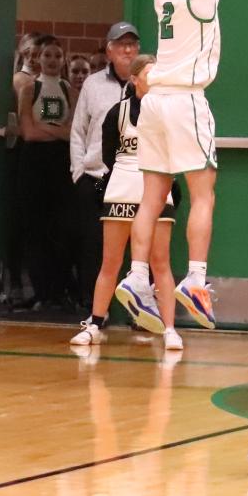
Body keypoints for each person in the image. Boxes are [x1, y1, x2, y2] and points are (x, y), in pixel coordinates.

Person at [116, 0, 248, 333]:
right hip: (185, 100)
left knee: (150, 197)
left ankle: (137, 276)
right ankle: (196, 279)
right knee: (204, 193)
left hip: (156, 100)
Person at [69, 55, 185, 350]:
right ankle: (95, 323)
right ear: (135, 79)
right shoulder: (116, 114)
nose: (156, 77)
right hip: (122, 183)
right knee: (111, 261)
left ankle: (169, 327)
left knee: (161, 263)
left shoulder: (168, 113)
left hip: (157, 185)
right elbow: (108, 156)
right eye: (150, 73)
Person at [70, 22, 141, 299]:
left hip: (135, 179)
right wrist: (79, 173)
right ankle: (94, 309)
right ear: (109, 50)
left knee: (139, 246)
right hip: (99, 179)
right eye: (121, 44)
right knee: (94, 244)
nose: (127, 49)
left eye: (132, 44)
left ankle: (138, 309)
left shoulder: (149, 85)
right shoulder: (93, 84)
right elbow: (78, 132)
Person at [16, 33, 74, 308]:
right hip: (34, 162)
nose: (52, 60)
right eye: (47, 55)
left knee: (61, 227)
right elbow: (27, 132)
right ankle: (39, 290)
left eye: (57, 56)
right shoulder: (30, 89)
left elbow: (73, 133)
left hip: (62, 162)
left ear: (63, 61)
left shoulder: (69, 90)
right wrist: (56, 131)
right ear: (38, 58)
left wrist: (45, 129)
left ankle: (59, 290)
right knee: (35, 226)